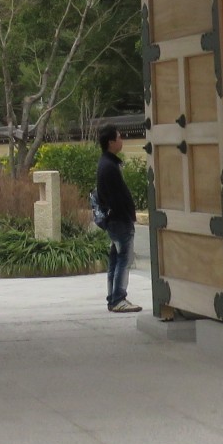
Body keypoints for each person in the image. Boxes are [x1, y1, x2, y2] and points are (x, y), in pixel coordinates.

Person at [94, 124, 141, 313]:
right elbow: (116, 197)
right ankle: (119, 298)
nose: (122, 140)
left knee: (115, 259)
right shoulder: (109, 167)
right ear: (111, 142)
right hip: (119, 220)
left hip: (114, 220)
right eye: (119, 137)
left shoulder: (106, 163)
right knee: (123, 259)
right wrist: (127, 214)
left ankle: (113, 298)